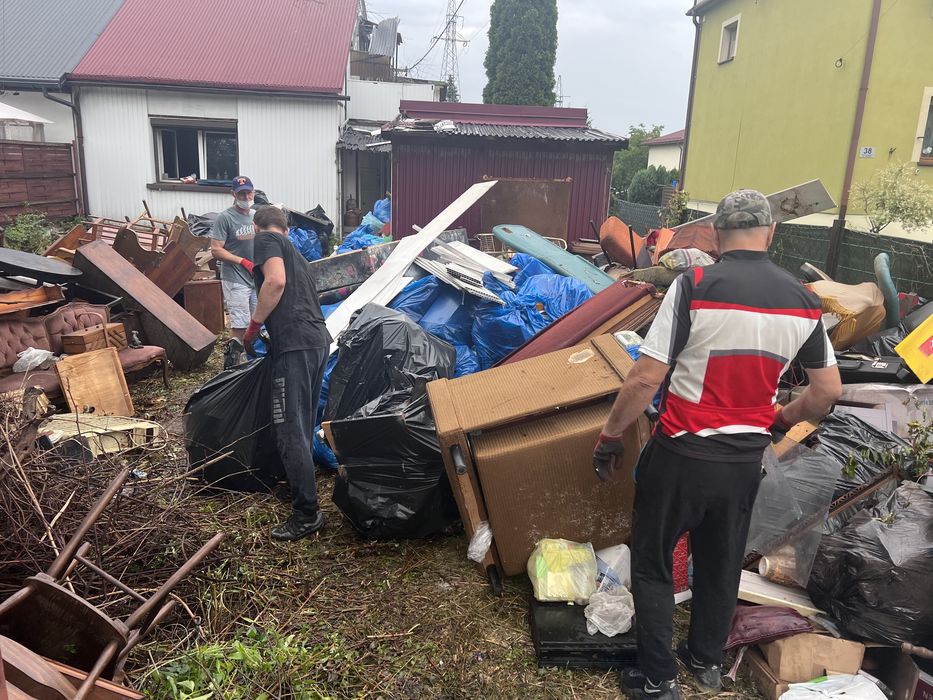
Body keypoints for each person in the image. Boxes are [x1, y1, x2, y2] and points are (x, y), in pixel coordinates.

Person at [593, 190, 842, 699]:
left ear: (716, 235)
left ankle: (658, 679)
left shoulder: (695, 285)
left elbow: (645, 378)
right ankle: (706, 662)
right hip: (743, 463)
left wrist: (611, 434)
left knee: (654, 563)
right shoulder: (803, 300)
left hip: (680, 456)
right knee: (721, 563)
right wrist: (780, 419)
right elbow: (827, 392)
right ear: (771, 232)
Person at [243, 205, 332, 541]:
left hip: (295, 345)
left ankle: (307, 513)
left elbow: (275, 281)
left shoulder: (265, 240)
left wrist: (253, 327)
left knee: (290, 428)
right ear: (287, 228)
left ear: (256, 227)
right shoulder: (298, 255)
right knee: (303, 421)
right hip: (317, 342)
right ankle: (296, 485)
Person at [210, 175, 257, 344]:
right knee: (240, 325)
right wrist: (242, 261)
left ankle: (252, 356)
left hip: (255, 277)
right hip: (236, 278)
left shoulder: (256, 216)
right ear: (233, 194)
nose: (246, 197)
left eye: (248, 193)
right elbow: (216, 250)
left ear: (254, 192)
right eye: (241, 194)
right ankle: (234, 358)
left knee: (257, 321)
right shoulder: (225, 218)